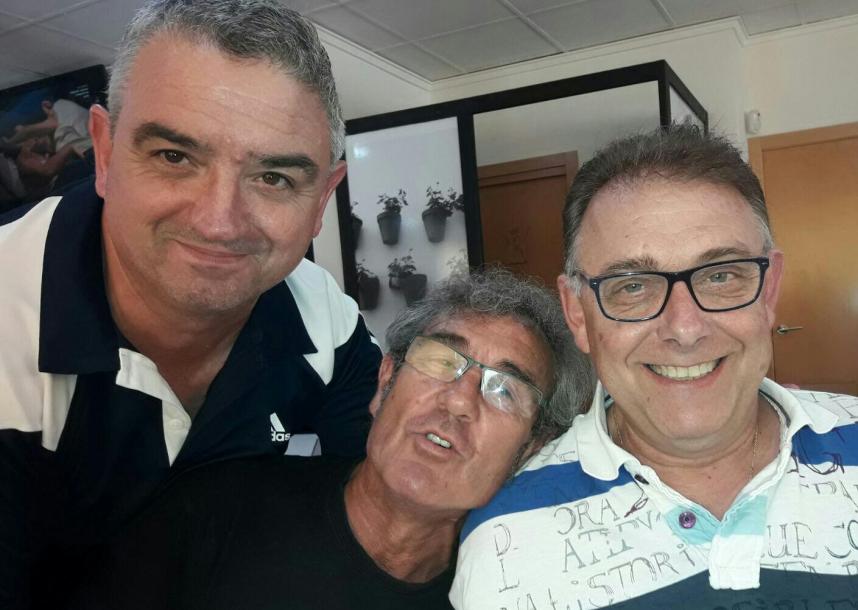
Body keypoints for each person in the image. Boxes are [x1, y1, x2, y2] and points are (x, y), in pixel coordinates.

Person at [0, 1, 381, 607]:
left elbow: (387, 506)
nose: (219, 222)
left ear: (321, 200)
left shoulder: (322, 316)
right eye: (174, 157)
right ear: (104, 153)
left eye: (274, 177)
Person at [451, 125, 858, 609]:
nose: (684, 329)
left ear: (768, 293)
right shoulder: (504, 546)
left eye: (721, 275)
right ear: (577, 314)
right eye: (632, 286)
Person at [71, 269, 595, 610]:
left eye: (504, 389)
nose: (459, 400)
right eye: (441, 360)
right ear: (384, 383)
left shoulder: (507, 592)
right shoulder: (216, 512)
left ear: (530, 448)